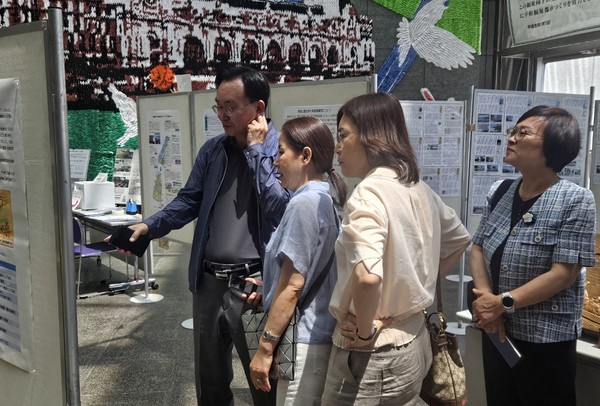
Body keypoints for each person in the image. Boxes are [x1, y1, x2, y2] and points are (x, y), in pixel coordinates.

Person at [114, 64, 290, 406]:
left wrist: (255, 151)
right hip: (208, 283)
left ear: (259, 108)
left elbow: (282, 210)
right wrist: (149, 225)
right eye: (218, 106)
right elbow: (189, 200)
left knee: (264, 385)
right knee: (209, 384)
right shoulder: (213, 151)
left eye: (231, 107)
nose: (222, 115)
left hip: (253, 287)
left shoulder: (282, 151)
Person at [321, 92, 471, 405]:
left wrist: (365, 331)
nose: (337, 147)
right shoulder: (418, 187)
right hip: (414, 339)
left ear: (372, 135)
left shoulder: (368, 193)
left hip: (373, 354)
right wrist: (418, 282)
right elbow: (460, 239)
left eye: (343, 135)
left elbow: (367, 278)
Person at [470, 105, 596, 406]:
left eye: (523, 133)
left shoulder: (576, 199)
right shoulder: (500, 191)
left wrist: (501, 304)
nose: (511, 138)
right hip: (497, 331)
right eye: (513, 131)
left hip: (545, 339)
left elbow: (563, 274)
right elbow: (478, 246)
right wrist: (487, 303)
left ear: (553, 147)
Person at [244, 116, 347, 405]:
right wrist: (270, 284)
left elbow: (293, 286)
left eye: (281, 152)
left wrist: (264, 349)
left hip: (304, 345)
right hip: (317, 339)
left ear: (305, 156)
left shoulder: (303, 203)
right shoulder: (323, 198)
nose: (275, 162)